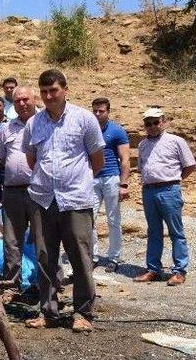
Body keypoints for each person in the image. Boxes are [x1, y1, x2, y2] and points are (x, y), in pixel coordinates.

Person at [22, 69, 105, 333]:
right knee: (45, 257)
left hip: (76, 199)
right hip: (43, 199)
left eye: (53, 91)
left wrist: (75, 181)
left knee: (80, 257)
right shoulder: (33, 124)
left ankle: (83, 313)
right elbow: (31, 159)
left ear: (65, 90)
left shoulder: (84, 119)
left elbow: (97, 161)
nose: (49, 96)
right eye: (44, 92)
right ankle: (48, 312)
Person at [134, 107, 196, 286]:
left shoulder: (176, 141)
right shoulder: (142, 144)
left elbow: (190, 166)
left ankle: (179, 271)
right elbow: (141, 168)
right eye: (148, 123)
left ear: (163, 122)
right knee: (153, 231)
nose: (152, 126)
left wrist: (174, 180)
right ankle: (153, 269)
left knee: (176, 231)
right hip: (149, 191)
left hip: (169, 190)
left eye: (156, 122)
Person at [0, 86, 38, 287]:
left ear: (34, 99)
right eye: (17, 100)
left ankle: (50, 284)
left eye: (25, 99)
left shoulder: (45, 123)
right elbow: (2, 159)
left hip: (39, 191)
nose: (21, 103)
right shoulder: (6, 128)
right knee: (11, 241)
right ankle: (12, 284)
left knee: (45, 239)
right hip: (12, 191)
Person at [90, 97, 130, 272]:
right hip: (91, 178)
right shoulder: (89, 129)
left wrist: (124, 184)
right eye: (95, 111)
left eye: (101, 111)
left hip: (111, 177)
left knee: (113, 219)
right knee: (89, 218)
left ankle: (114, 257)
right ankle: (92, 255)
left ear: (108, 111)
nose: (98, 114)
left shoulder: (117, 130)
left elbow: (125, 159)